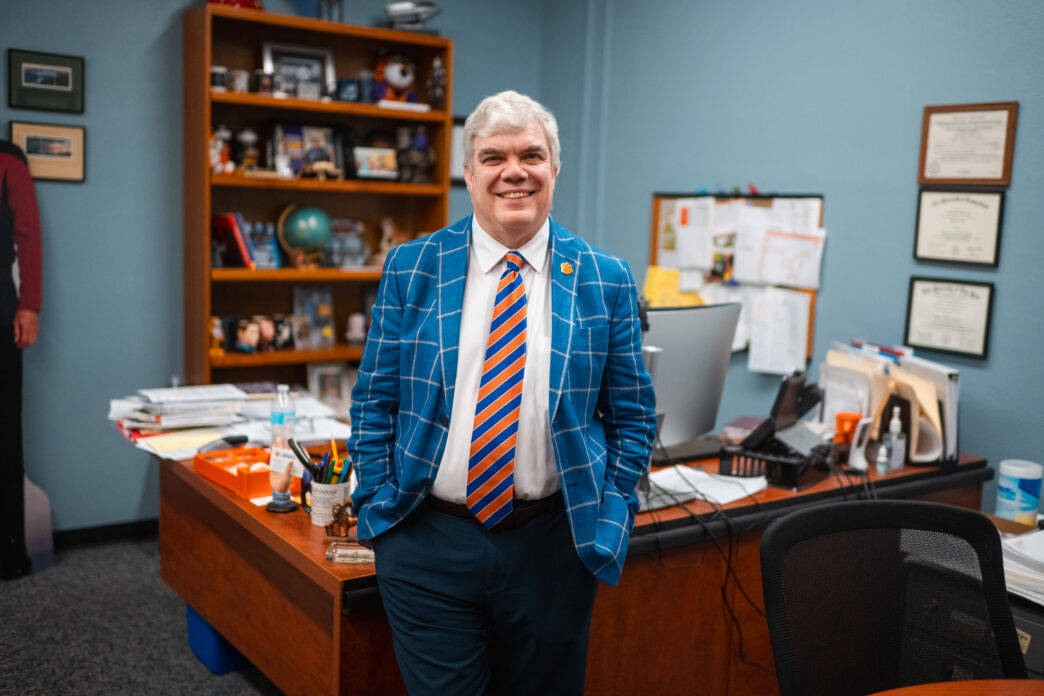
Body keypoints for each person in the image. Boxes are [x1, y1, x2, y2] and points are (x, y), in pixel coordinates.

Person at [348, 91, 656, 694]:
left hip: (554, 546)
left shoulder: (604, 278)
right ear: (469, 173)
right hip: (426, 540)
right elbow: (374, 399)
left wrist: (612, 511)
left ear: (554, 169)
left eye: (531, 156)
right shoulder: (413, 267)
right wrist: (379, 508)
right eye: (493, 157)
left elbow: (633, 417)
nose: (514, 171)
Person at [0, 139, 42, 581]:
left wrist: (29, 305)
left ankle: (9, 551)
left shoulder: (7, 159)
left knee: (5, 431)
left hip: (2, 310)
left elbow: (27, 233)